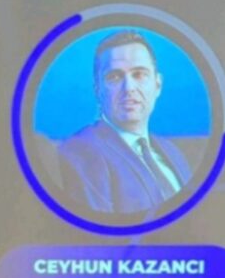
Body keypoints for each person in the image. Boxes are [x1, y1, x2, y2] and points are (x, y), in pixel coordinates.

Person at [58, 30, 192, 214]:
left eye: (139, 74)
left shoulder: (173, 152)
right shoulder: (82, 150)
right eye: (114, 76)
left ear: (158, 85)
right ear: (97, 90)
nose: (129, 88)